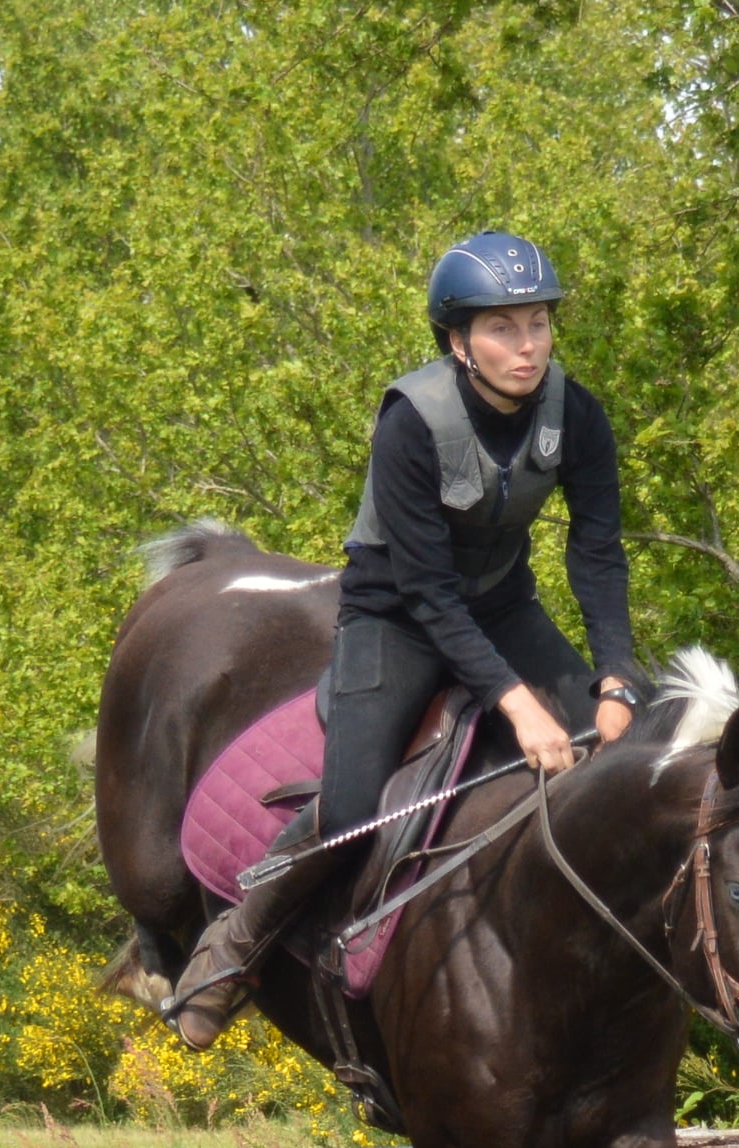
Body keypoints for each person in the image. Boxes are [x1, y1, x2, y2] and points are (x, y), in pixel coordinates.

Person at [167, 230, 642, 1049]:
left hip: (503, 606)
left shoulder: (579, 413)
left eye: (537, 324)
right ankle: (234, 945)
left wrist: (617, 679)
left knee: (634, 761)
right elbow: (427, 592)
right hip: (396, 616)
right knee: (354, 806)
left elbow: (597, 552)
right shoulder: (411, 422)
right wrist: (516, 703)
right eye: (502, 329)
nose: (526, 346)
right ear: (458, 341)